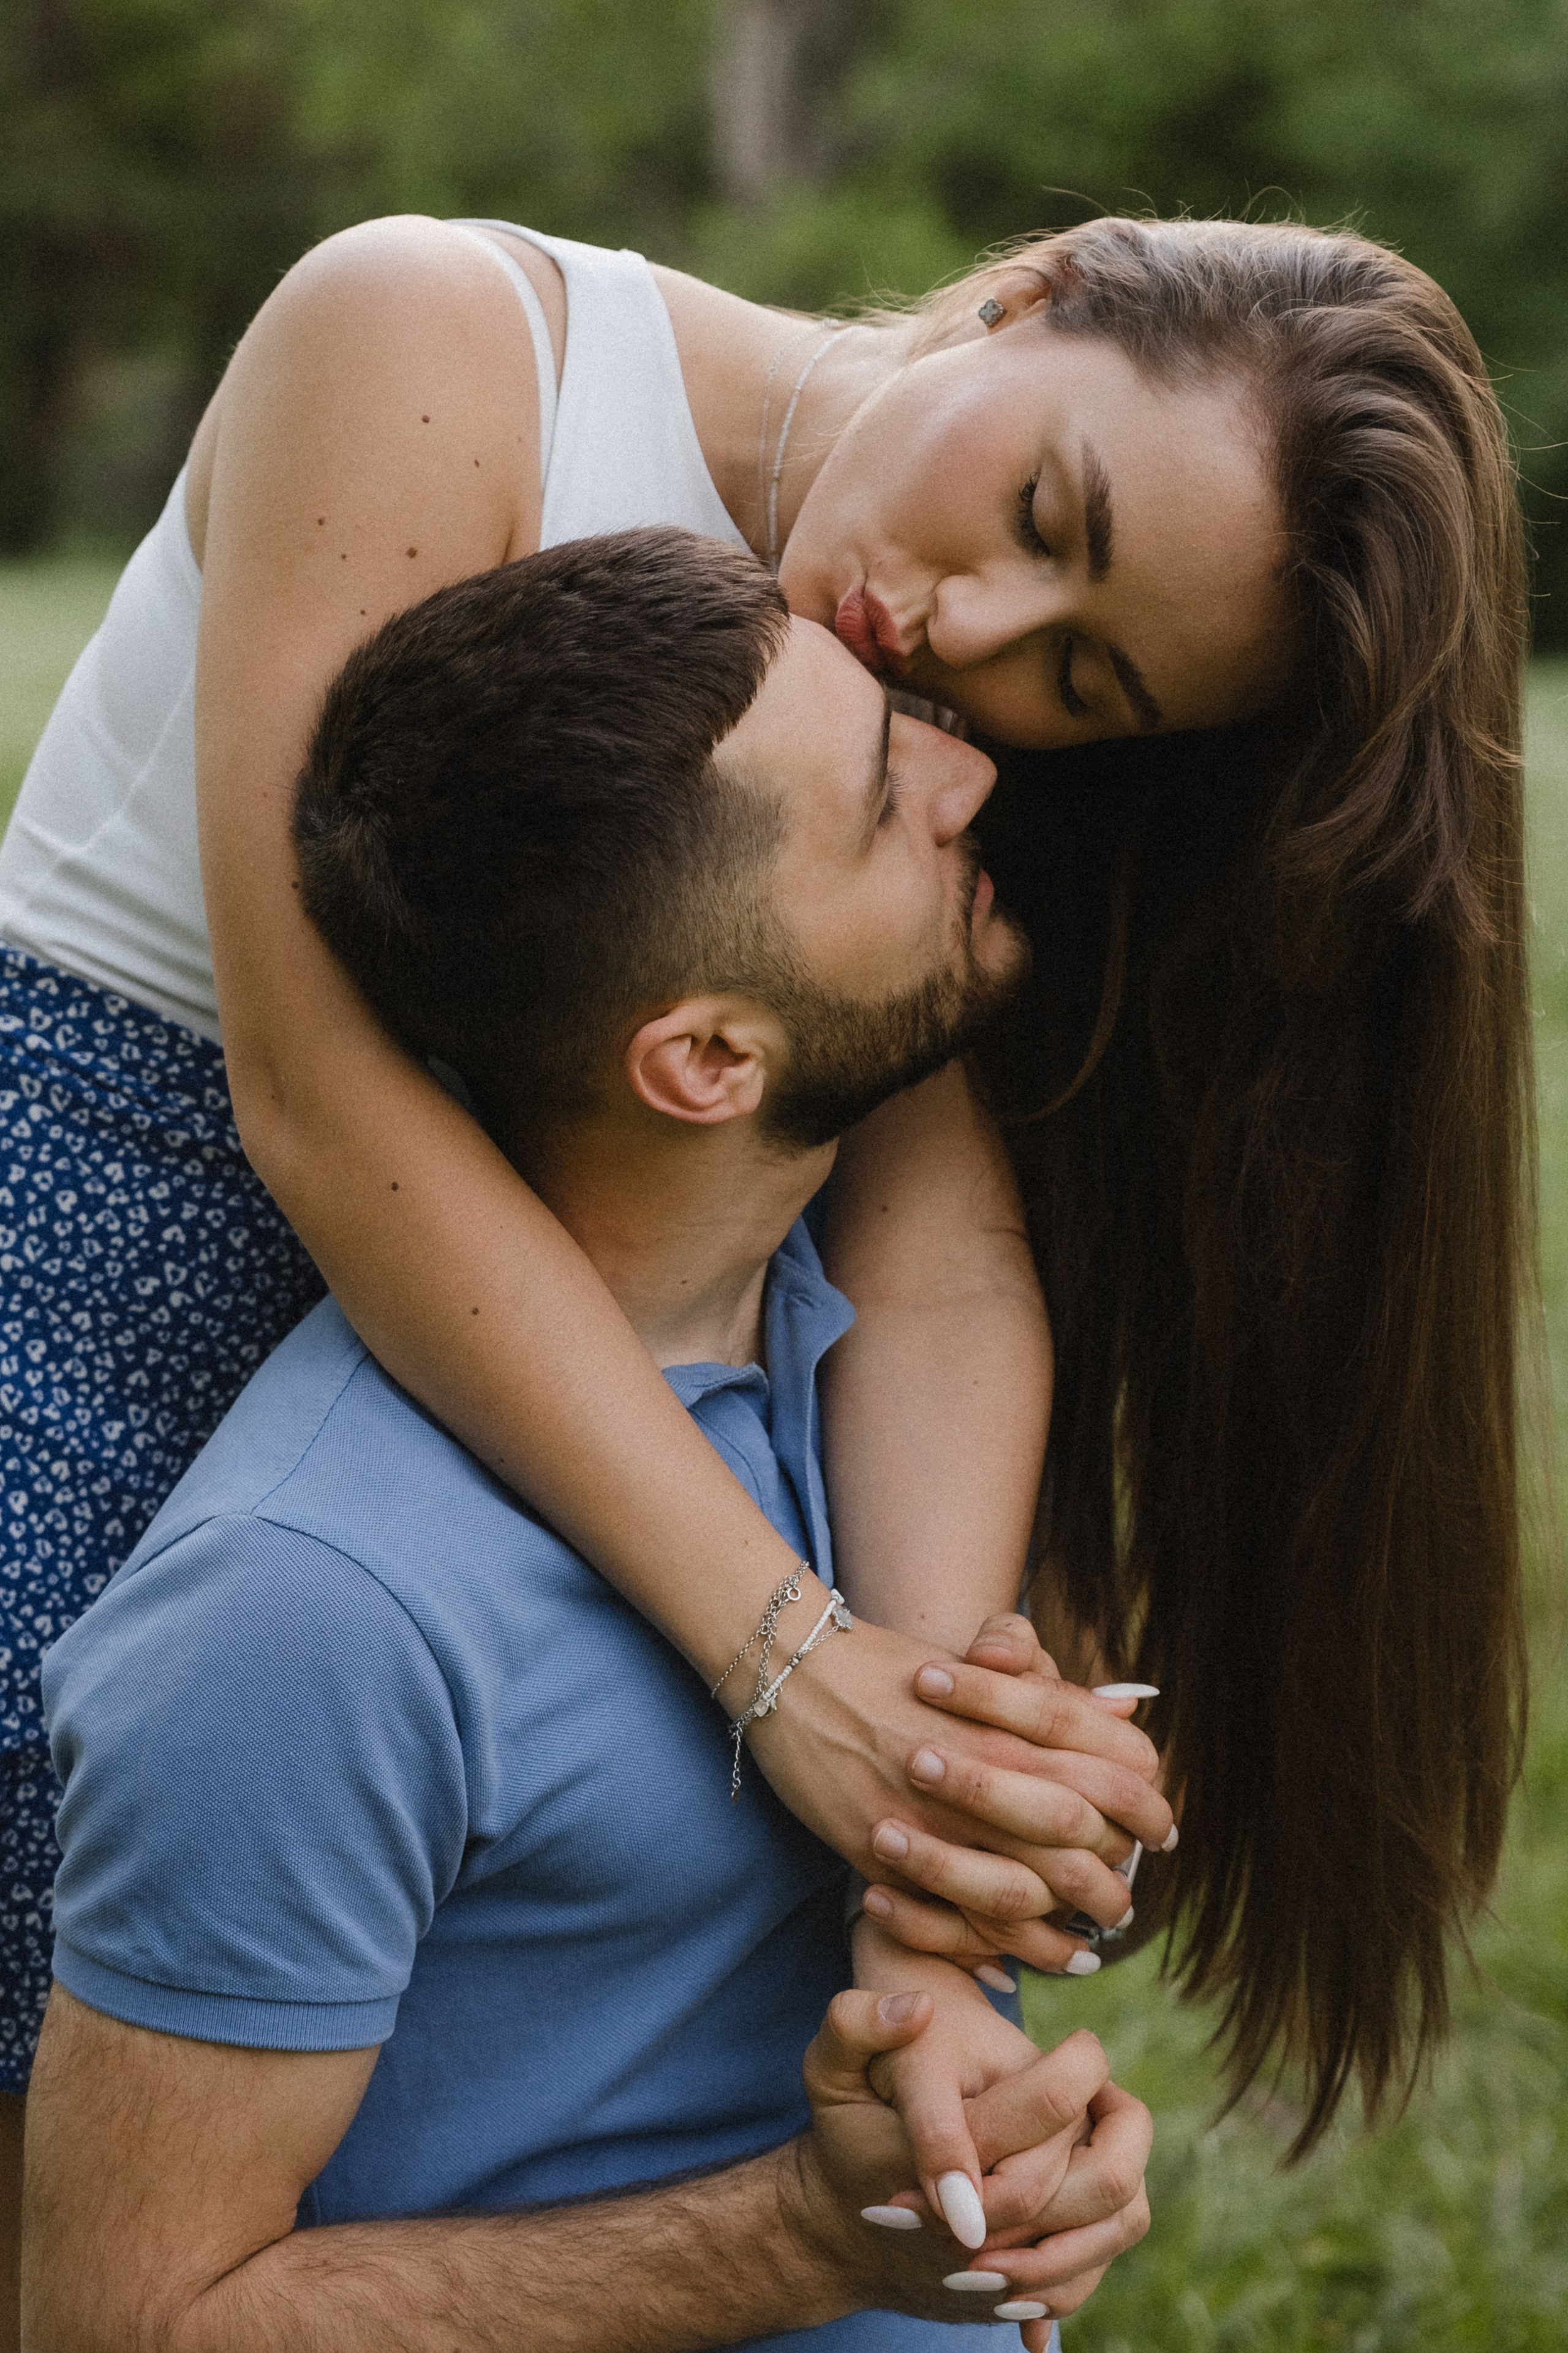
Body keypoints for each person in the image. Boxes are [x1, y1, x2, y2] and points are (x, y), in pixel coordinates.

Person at [0, 197, 1530, 2262]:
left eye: (1083, 670)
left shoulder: (925, 723)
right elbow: (324, 1094)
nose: (971, 632)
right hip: (117, 1297)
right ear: (1034, 289)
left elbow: (938, 1242)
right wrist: (791, 1660)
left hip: (528, 1430)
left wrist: (939, 1816)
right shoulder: (439, 344)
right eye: (1043, 508)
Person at [26, 531, 1161, 2352]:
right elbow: (116, 2319)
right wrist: (805, 2238)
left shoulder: (854, 1368)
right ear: (707, 1058)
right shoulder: (307, 1610)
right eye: (882, 802)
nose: (968, 778)